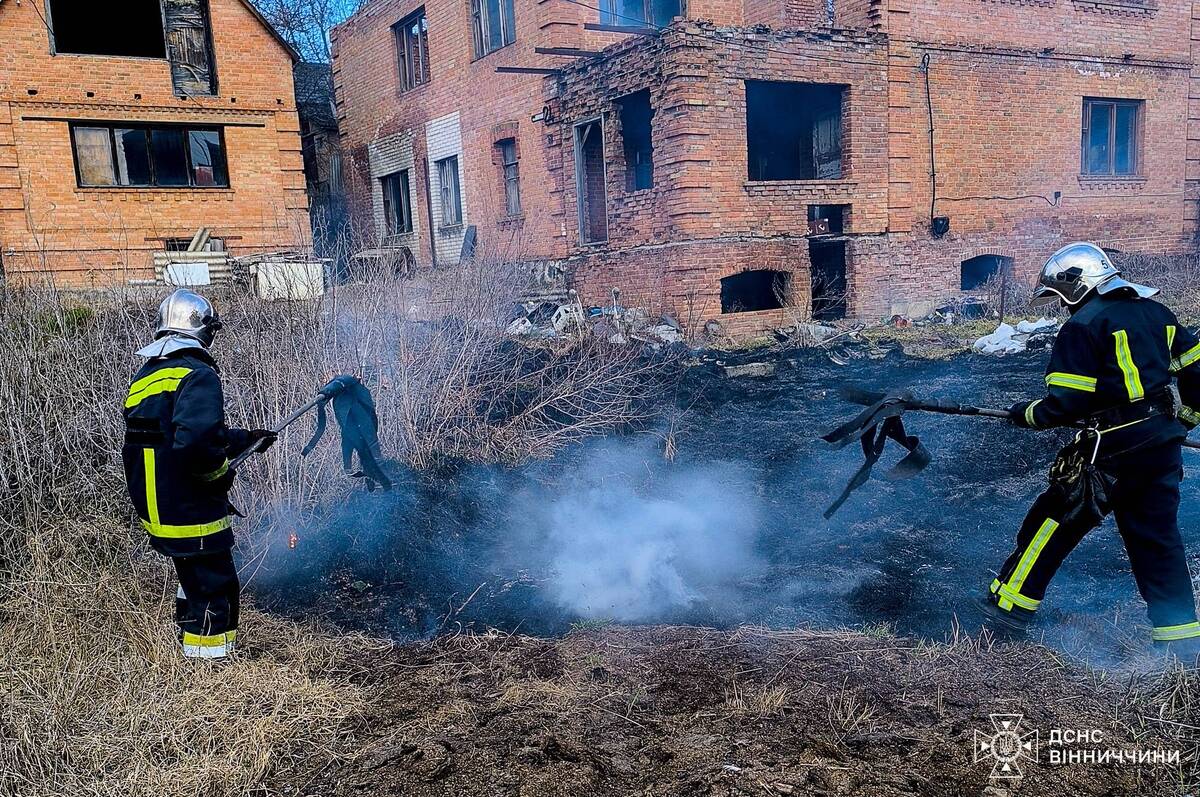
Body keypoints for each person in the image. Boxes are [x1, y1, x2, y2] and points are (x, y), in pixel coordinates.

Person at [993, 242, 1200, 657]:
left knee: (1050, 523)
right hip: (1161, 445)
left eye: (1059, 296)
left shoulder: (1084, 325)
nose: (1061, 306)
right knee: (1158, 543)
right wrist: (1186, 420)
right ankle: (1181, 646)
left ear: (1076, 285)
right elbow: (1196, 372)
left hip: (1110, 451)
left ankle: (1005, 616)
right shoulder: (1159, 313)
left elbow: (1067, 402)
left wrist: (1027, 414)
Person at [122, 289, 276, 659]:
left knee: (191, 576)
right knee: (214, 584)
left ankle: (187, 639)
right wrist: (218, 476)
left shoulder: (149, 375)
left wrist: (244, 440)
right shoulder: (198, 374)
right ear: (203, 330)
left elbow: (172, 435)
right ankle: (211, 663)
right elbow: (195, 444)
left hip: (159, 506)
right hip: (191, 507)